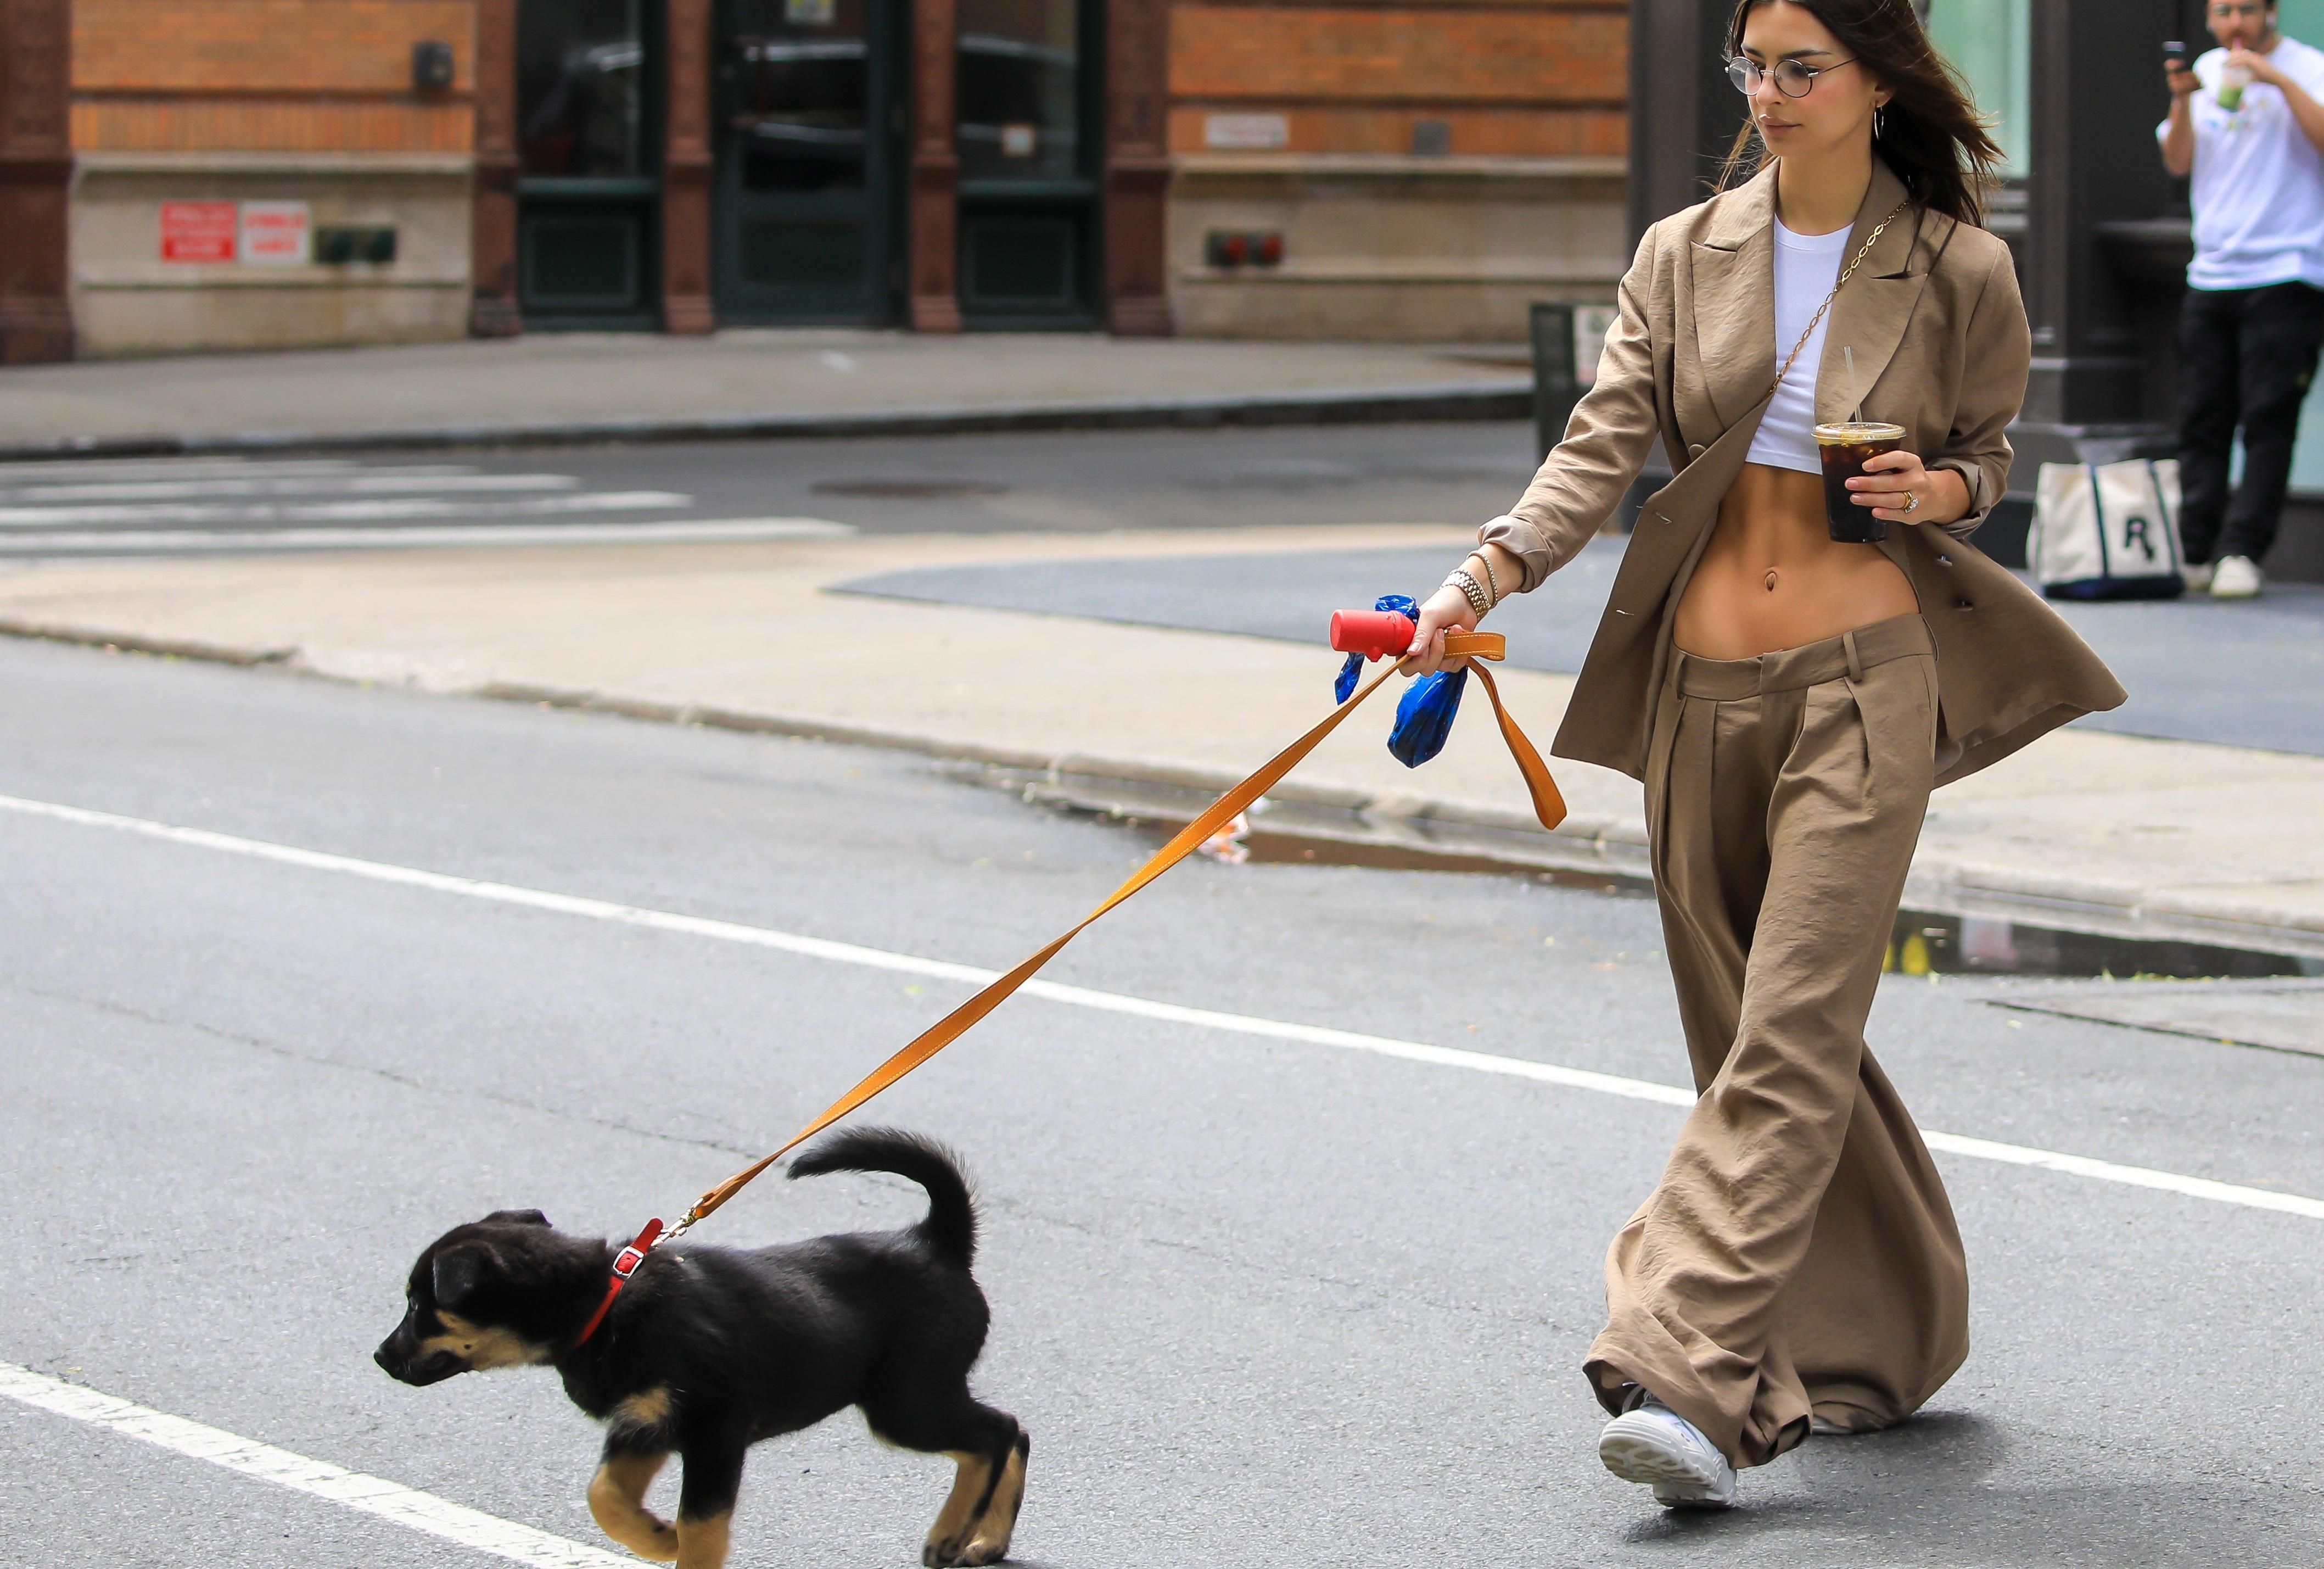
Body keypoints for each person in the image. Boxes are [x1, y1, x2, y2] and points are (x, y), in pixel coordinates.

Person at [1405, 0, 2123, 1511]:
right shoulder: (1684, 251)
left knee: (1791, 1032)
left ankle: (1684, 1371)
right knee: (1759, 1039)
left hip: (1866, 691)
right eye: (1755, 66)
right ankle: (1893, 1326)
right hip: (1695, 695)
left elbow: (1989, 456)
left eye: (1805, 67)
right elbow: (1601, 442)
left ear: (1880, 86)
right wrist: (1481, 580)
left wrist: (1944, 487)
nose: (1772, 93)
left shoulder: (1961, 266)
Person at [2159, 1, 2324, 600]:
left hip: (2287, 270)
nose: (2236, 24)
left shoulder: (2308, 68)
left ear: (2271, 14)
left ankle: (2243, 551)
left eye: (2247, 10)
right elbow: (2178, 161)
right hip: (2212, 272)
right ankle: (2197, 549)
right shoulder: (2205, 74)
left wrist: (2275, 79)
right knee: (2202, 416)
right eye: (2224, 11)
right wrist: (2182, 99)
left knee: (2268, 419)